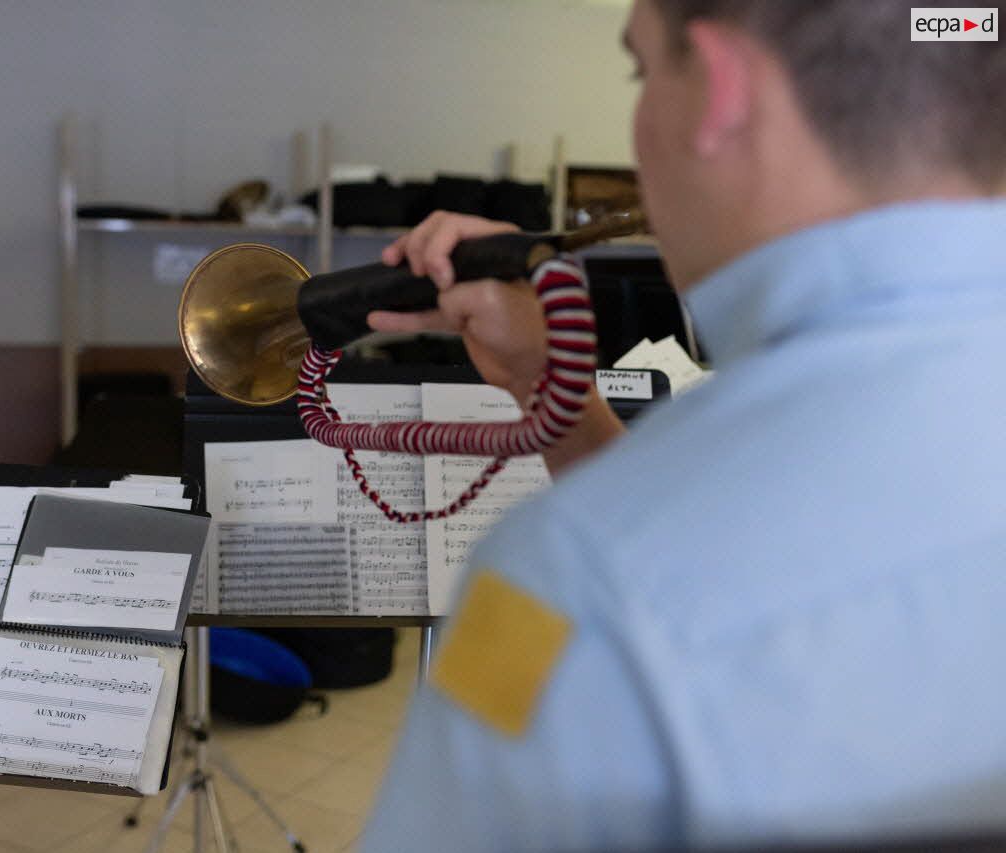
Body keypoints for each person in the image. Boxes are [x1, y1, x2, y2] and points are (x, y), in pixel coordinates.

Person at [357, 1, 1006, 850]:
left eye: (642, 68)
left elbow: (671, 569)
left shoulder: (561, 581)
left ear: (721, 91)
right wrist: (553, 395)